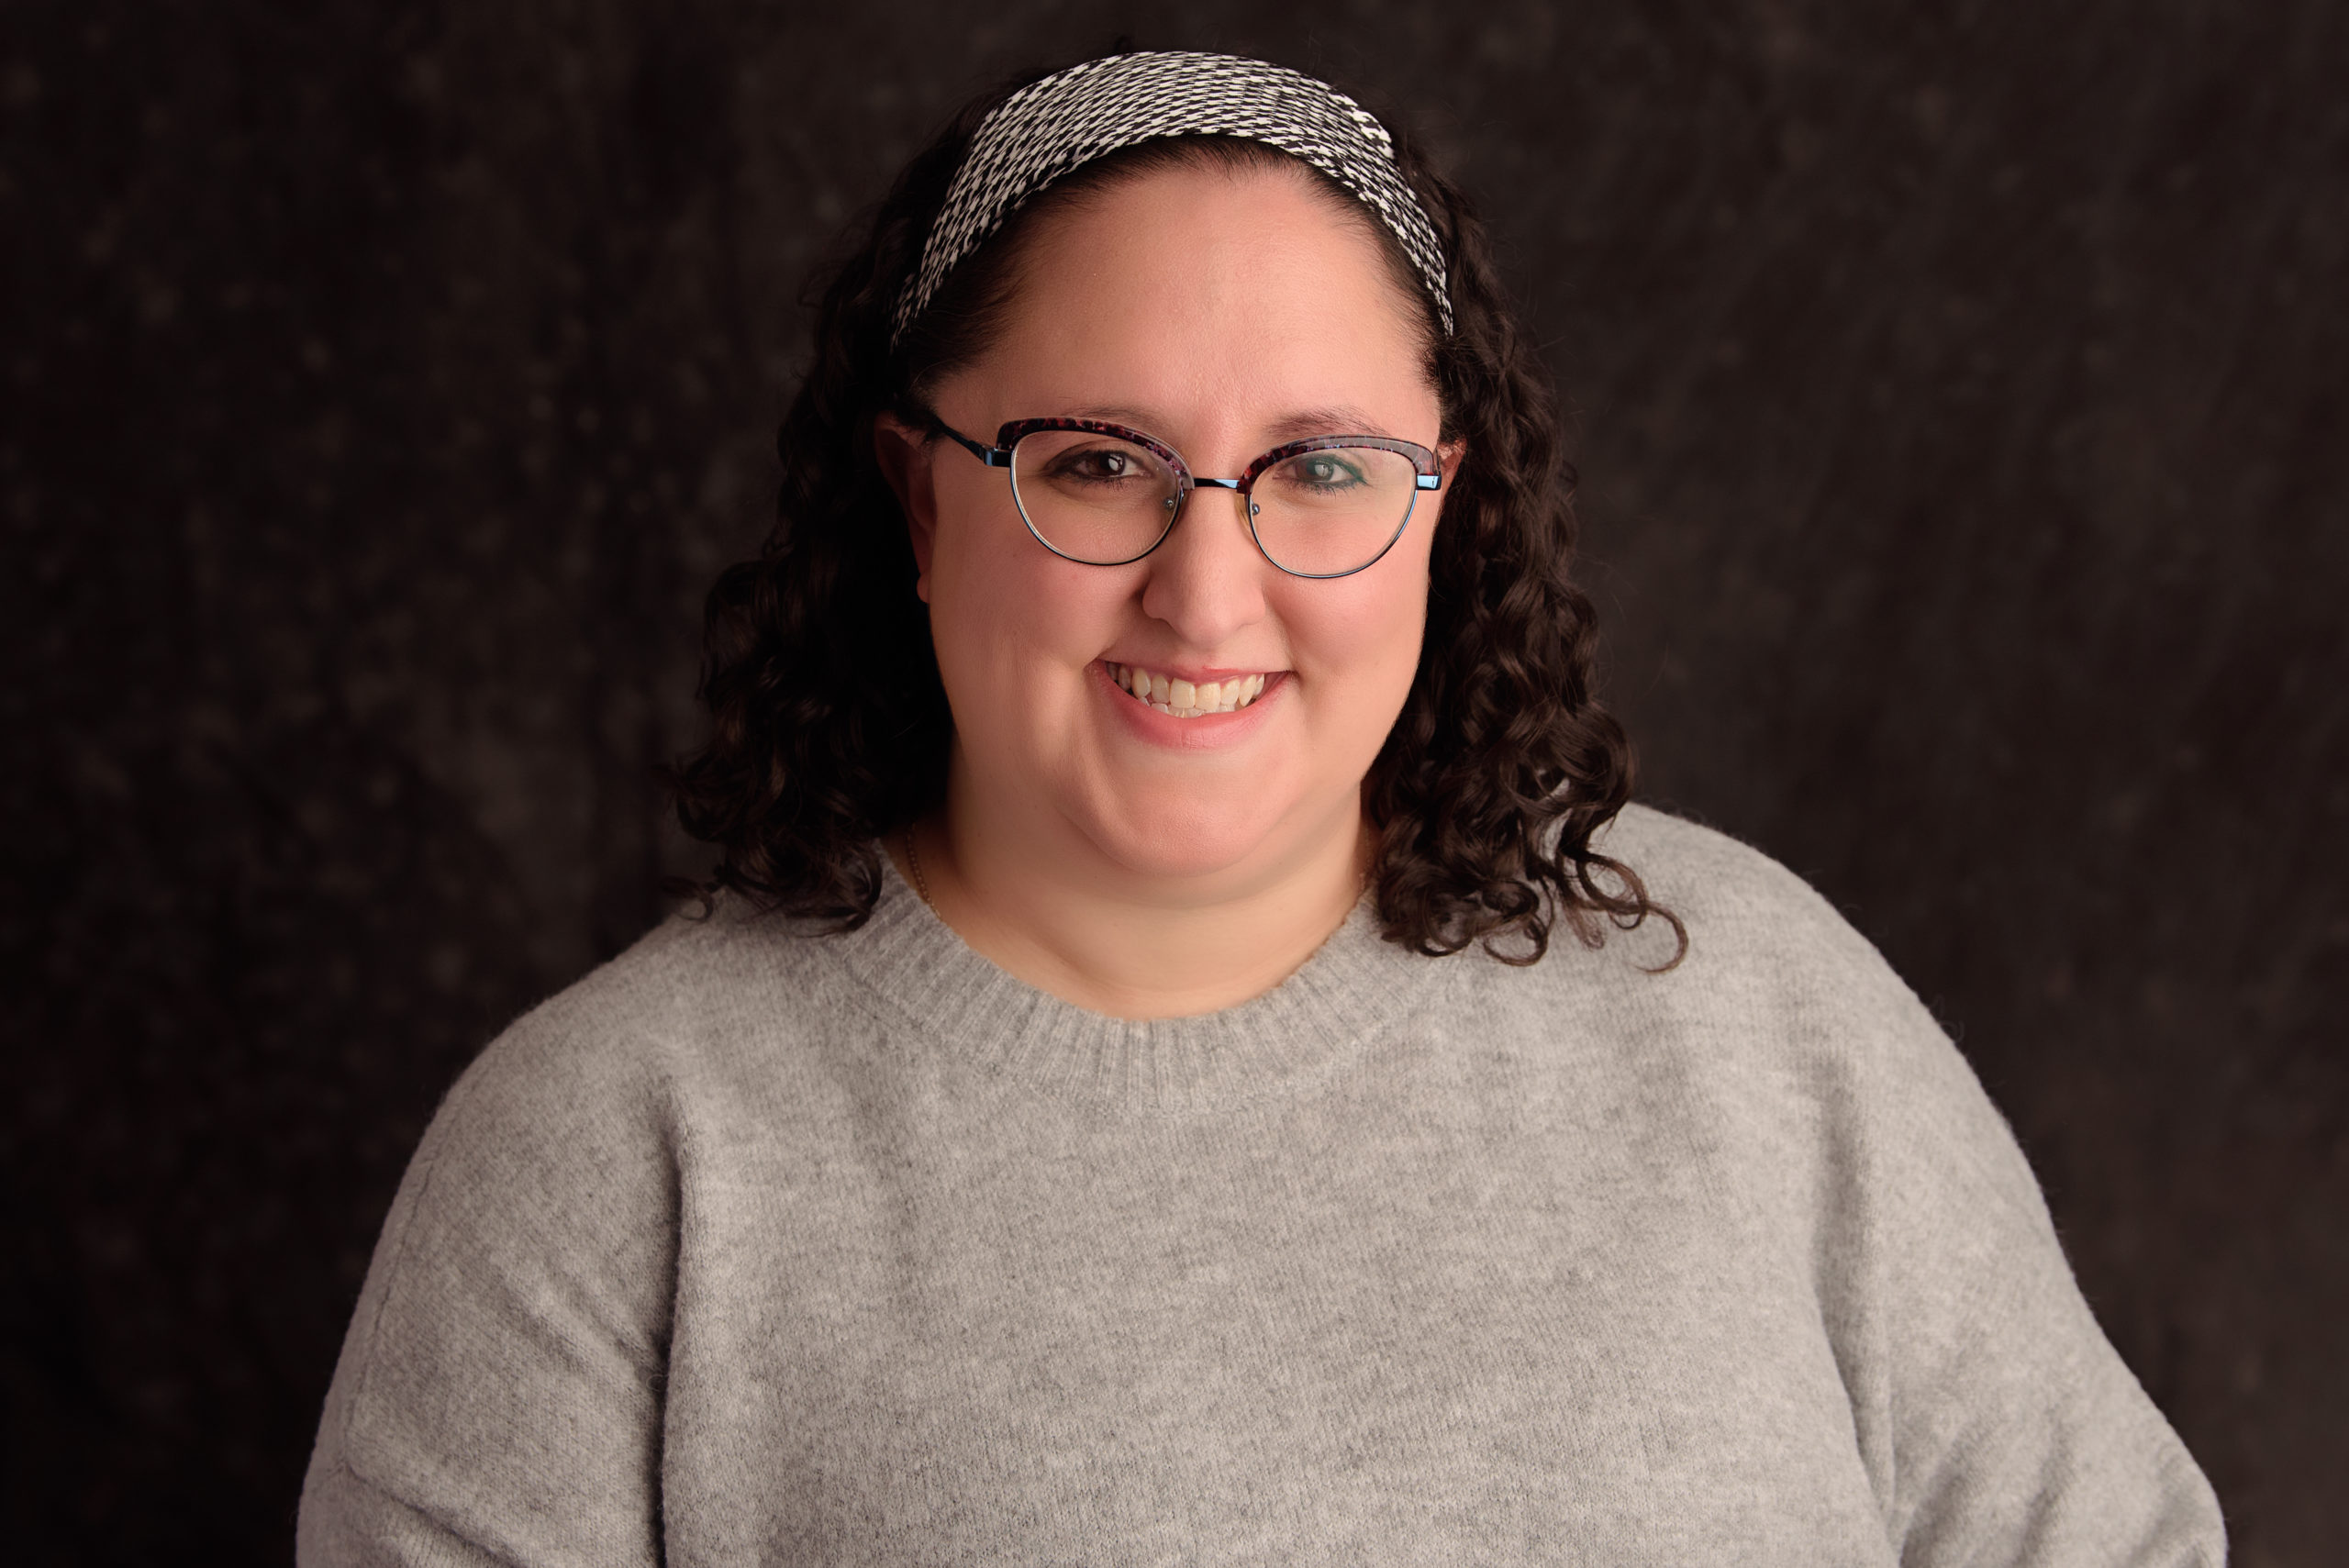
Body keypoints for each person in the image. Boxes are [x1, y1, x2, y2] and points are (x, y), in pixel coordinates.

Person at [297, 50, 2225, 1565]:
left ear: (1441, 506)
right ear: (915, 495)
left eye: (1317, 468)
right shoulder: (612, 1160)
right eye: (1097, 463)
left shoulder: (1752, 1010)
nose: (1203, 593)